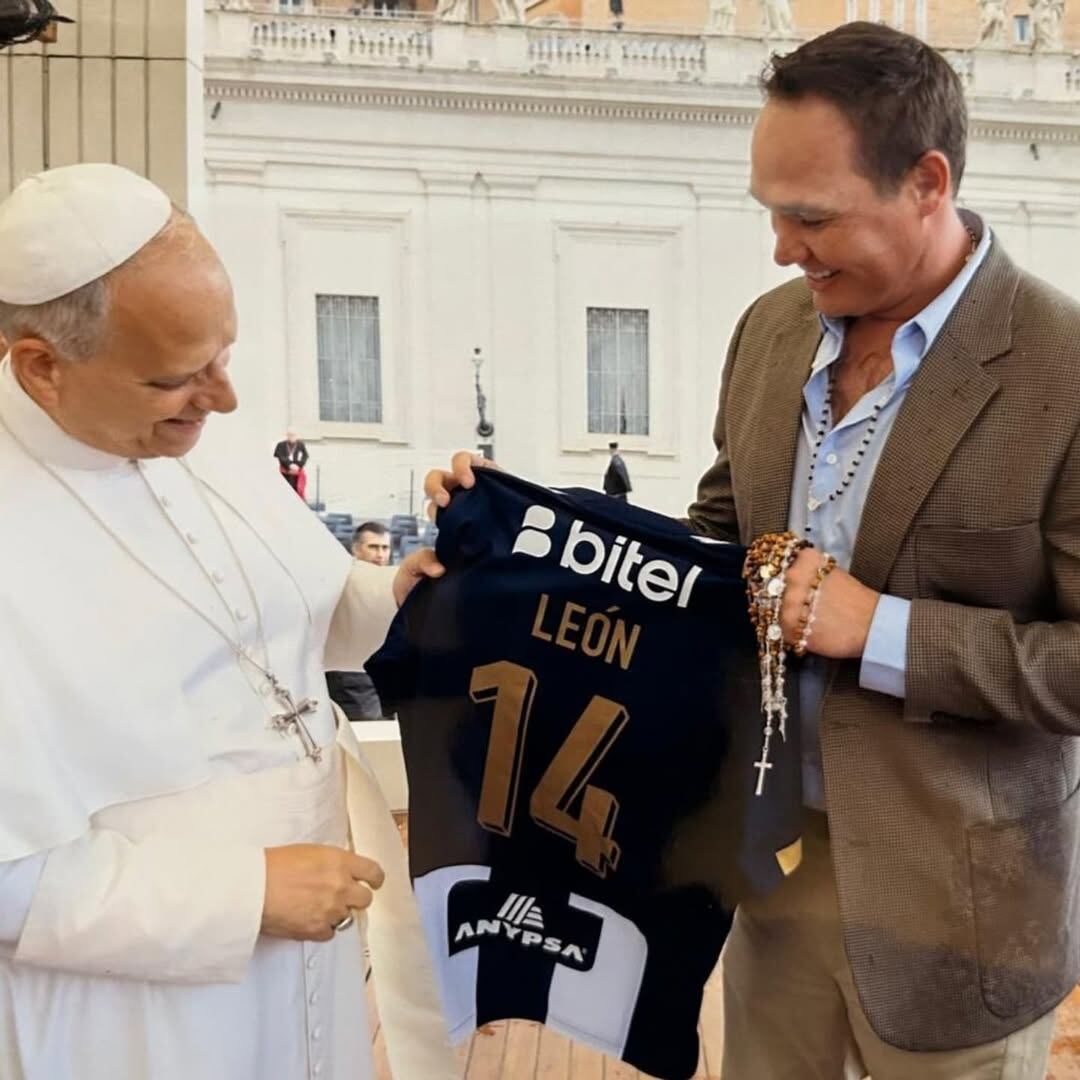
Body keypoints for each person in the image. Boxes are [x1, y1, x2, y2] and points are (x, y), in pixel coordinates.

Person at [427, 22, 1080, 1080]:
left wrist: (884, 631)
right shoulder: (772, 331)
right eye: (772, 212)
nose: (782, 246)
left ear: (927, 181)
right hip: (768, 866)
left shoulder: (1063, 370)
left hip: (960, 908)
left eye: (811, 216)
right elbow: (714, 549)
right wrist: (526, 540)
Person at [0, 163, 458, 1080]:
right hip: (132, 1008)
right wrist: (244, 894)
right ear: (45, 367)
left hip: (303, 934)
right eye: (178, 376)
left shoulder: (193, 431)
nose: (225, 400)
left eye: (225, 357)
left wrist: (415, 589)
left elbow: (302, 615)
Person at [326, 522, 393, 721]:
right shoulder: (336, 584)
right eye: (373, 547)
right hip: (348, 684)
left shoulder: (396, 587)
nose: (380, 554)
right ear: (356, 549)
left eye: (385, 548)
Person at [273, 427, 308, 497]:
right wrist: (289, 465)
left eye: (294, 435)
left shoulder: (301, 445)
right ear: (287, 435)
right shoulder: (281, 445)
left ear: (297, 436)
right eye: (290, 435)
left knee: (297, 492)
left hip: (297, 473)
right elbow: (280, 456)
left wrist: (299, 466)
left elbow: (305, 456)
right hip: (285, 473)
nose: (292, 436)